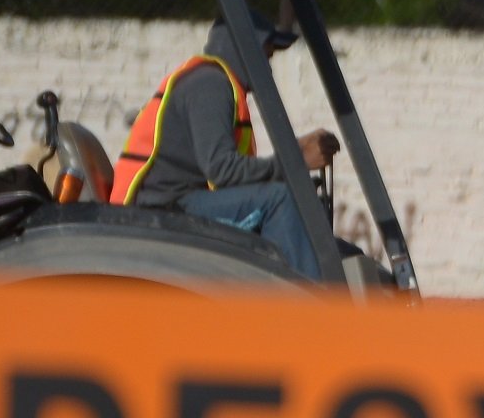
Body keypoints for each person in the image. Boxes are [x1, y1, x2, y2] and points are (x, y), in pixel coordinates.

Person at [111, 21, 341, 279]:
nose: (268, 66)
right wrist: (295, 160)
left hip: (180, 200)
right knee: (280, 199)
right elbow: (222, 170)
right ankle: (309, 313)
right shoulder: (210, 85)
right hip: (165, 209)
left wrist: (294, 154)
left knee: (295, 202)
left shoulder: (215, 83)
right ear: (244, 51)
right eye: (266, 55)